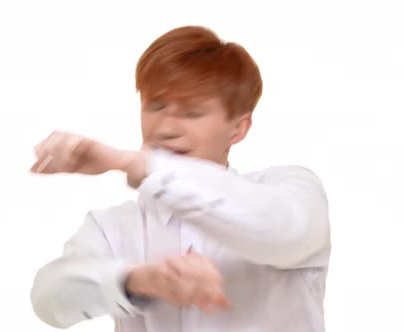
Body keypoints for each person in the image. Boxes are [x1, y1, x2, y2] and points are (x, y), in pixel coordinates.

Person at [29, 25, 331, 332]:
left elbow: (283, 231)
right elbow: (49, 299)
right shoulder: (114, 226)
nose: (165, 128)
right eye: (155, 106)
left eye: (192, 112)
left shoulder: (289, 189)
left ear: (238, 129)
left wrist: (134, 163)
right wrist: (137, 282)